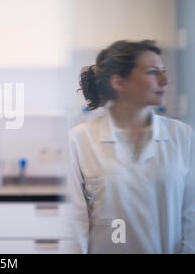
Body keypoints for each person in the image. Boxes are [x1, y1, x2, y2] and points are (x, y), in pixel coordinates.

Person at [67, 40, 195, 253]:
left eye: (163, 71)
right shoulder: (80, 140)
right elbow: (75, 224)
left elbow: (192, 216)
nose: (165, 80)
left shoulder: (184, 137)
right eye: (153, 72)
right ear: (119, 82)